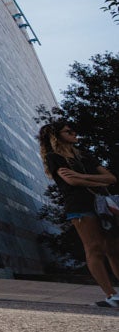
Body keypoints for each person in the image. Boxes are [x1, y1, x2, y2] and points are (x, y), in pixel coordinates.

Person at [39, 121, 119, 307]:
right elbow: (70, 182)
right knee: (94, 248)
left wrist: (82, 177)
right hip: (79, 206)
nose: (74, 133)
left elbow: (111, 178)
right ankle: (111, 295)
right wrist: (98, 181)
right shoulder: (54, 157)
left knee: (114, 248)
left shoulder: (84, 156)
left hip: (101, 204)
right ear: (56, 135)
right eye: (69, 131)